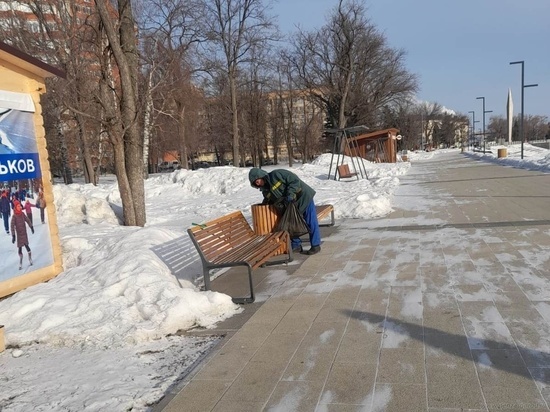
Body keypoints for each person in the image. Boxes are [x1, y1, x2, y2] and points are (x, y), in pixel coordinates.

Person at [248, 168, 321, 255]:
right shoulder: (265, 191)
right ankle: (296, 245)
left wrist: (290, 194)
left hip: (303, 197)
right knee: (289, 224)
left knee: (311, 221)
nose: (257, 183)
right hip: (291, 206)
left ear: (260, 176)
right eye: (255, 183)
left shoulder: (277, 174)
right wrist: (264, 204)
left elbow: (294, 181)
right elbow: (269, 199)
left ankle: (316, 245)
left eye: (257, 180)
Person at [11, 202, 34, 270]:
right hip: (19, 235)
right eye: (18, 206)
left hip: (24, 233)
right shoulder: (14, 216)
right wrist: (13, 235)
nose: (20, 207)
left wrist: (31, 227)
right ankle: (20, 262)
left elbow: (27, 220)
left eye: (20, 206)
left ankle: (30, 259)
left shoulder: (22, 214)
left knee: (27, 246)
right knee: (20, 248)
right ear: (15, 207)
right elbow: (12, 226)